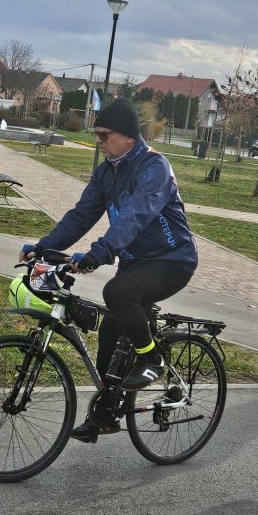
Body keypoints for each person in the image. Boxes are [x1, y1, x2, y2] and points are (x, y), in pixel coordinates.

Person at [20, 98, 198, 441]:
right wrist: (44, 246)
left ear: (128, 137)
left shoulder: (153, 168)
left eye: (104, 135)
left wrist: (99, 253)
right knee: (109, 335)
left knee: (116, 292)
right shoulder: (108, 170)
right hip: (135, 261)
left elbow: (135, 215)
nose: (98, 141)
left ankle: (153, 360)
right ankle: (107, 413)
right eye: (96, 134)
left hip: (172, 259)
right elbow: (82, 214)